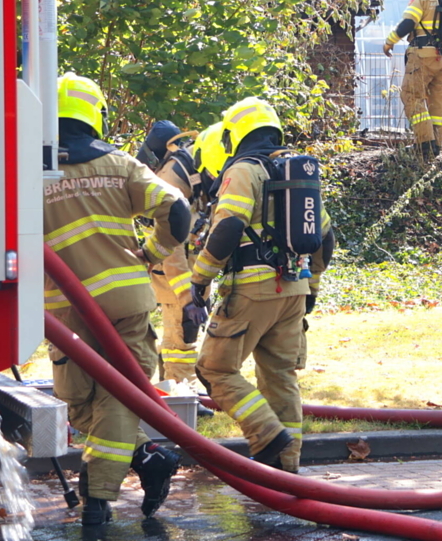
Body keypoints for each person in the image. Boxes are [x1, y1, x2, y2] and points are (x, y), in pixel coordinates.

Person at [44, 74, 188, 525]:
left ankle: (98, 499)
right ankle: (148, 458)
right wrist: (153, 252)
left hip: (63, 311)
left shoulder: (25, 169)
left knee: (83, 399)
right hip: (123, 303)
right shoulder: (121, 165)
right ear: (96, 114)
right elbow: (177, 210)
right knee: (111, 400)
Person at [194, 97, 335, 473]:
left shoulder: (244, 170)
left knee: (214, 369)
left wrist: (200, 277)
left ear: (235, 135)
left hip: (253, 291)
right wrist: (313, 287)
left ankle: (267, 437)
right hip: (294, 289)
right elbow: (327, 237)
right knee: (280, 378)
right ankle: (286, 470)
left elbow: (227, 228)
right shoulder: (296, 171)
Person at [136, 120, 207, 386]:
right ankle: (182, 394)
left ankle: (170, 390)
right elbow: (172, 242)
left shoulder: (188, 171)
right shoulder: (172, 176)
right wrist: (187, 295)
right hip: (173, 270)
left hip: (189, 266)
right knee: (182, 332)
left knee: (177, 332)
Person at [383, 0, 442, 158]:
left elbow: (408, 23)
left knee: (412, 96)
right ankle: (437, 146)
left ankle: (424, 144)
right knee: (437, 103)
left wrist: (389, 42)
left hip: (422, 56)